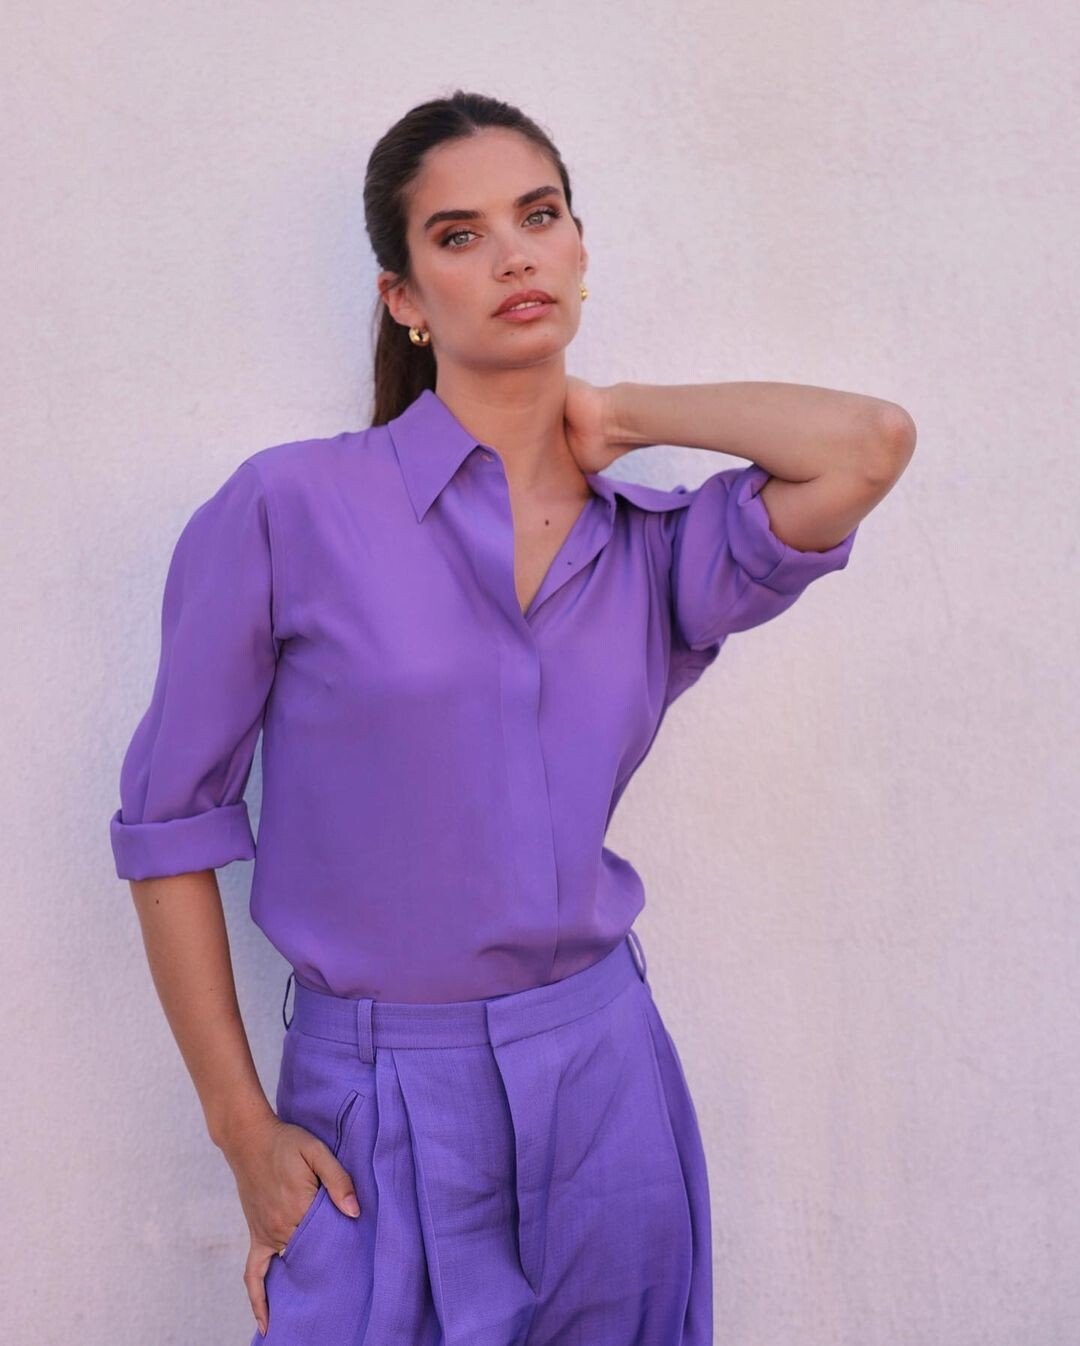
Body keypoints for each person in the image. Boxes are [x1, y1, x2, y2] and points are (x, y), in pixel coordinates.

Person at [109, 90, 913, 1346]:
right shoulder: (288, 509)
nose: (514, 256)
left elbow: (868, 443)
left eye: (539, 218)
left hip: (607, 1085)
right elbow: (168, 824)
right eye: (459, 234)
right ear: (405, 299)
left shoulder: (653, 551)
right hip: (372, 1102)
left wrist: (627, 416)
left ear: (581, 250)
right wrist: (240, 1129)